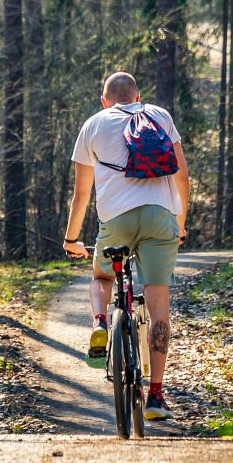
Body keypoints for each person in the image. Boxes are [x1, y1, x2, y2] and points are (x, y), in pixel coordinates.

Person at [63, 72, 190, 420]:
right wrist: (178, 225)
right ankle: (155, 396)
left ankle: (101, 322)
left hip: (116, 220)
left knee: (102, 278)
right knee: (158, 298)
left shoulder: (93, 124)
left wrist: (71, 239)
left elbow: (81, 194)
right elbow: (182, 176)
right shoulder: (160, 115)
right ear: (138, 97)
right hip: (161, 217)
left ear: (105, 100)